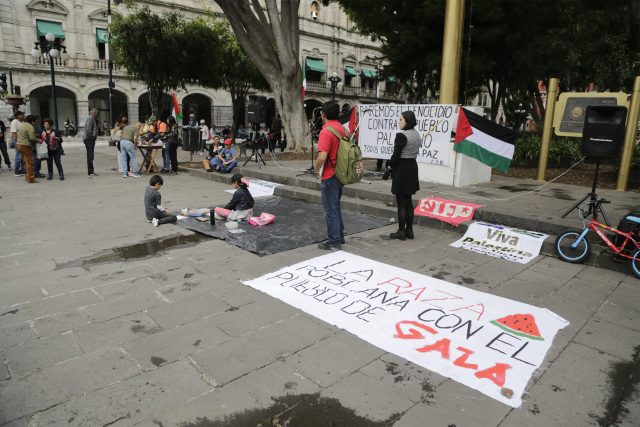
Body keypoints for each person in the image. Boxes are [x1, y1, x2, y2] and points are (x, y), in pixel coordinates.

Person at [315, 101, 346, 250]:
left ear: (323, 115)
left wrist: (316, 169)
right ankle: (339, 235)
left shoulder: (326, 131)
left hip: (329, 174)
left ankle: (334, 241)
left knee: (330, 209)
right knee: (336, 206)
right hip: (341, 172)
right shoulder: (342, 128)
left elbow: (322, 156)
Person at [386, 110, 420, 240]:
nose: (399, 122)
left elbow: (395, 157)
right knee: (408, 201)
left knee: (401, 203)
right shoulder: (417, 135)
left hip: (402, 169)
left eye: (401, 119)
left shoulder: (401, 135)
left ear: (407, 121)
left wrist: (389, 165)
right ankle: (409, 230)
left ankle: (401, 231)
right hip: (412, 168)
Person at [16, 115, 40, 183]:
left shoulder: (22, 125)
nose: (36, 123)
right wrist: (38, 140)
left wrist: (35, 135)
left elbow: (24, 134)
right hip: (26, 146)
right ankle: (31, 178)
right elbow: (31, 137)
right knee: (29, 162)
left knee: (25, 162)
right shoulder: (30, 127)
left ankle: (27, 177)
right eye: (35, 121)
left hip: (19, 145)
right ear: (32, 121)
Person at [84, 107, 99, 177]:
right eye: (96, 113)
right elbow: (88, 129)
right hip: (89, 140)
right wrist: (92, 138)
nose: (97, 114)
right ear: (94, 113)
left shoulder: (91, 118)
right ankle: (90, 172)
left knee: (91, 156)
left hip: (89, 139)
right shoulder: (91, 119)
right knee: (90, 156)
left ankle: (91, 171)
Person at [10, 111, 24, 176]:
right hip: (17, 141)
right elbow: (13, 133)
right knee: (18, 155)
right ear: (18, 115)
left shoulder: (22, 122)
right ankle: (17, 171)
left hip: (23, 141)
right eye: (21, 115)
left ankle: (22, 170)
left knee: (22, 155)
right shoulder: (14, 122)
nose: (23, 116)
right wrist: (18, 142)